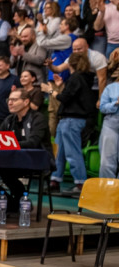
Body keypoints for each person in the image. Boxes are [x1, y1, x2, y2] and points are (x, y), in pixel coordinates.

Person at [46, 53, 96, 194]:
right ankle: (55, 181)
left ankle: (80, 184)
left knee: (72, 152)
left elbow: (64, 98)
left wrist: (51, 90)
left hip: (72, 120)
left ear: (70, 64)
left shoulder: (76, 78)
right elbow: (72, 96)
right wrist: (61, 86)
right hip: (69, 119)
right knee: (60, 152)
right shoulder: (82, 78)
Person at [0, 88, 52, 206]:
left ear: (26, 102)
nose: (10, 103)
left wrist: (7, 144)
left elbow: (33, 142)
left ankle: (18, 200)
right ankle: (13, 201)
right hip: (14, 160)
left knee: (4, 170)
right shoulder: (10, 119)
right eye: (9, 100)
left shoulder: (38, 118)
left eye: (14, 100)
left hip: (36, 160)